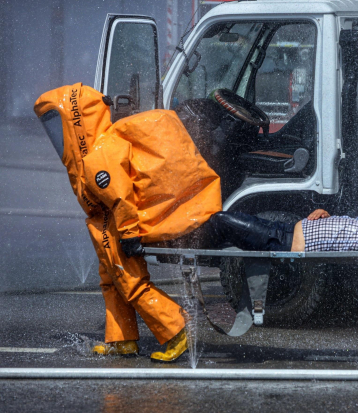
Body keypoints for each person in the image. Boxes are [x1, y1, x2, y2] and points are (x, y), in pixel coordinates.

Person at [34, 83, 222, 362]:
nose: (55, 135)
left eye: (56, 123)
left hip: (117, 224)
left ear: (75, 122)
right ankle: (121, 339)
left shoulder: (98, 155)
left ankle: (177, 329)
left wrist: (130, 234)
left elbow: (121, 198)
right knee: (111, 280)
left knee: (129, 280)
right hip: (106, 224)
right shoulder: (94, 152)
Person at [149, 200, 358, 253]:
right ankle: (168, 233)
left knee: (221, 219)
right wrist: (326, 217)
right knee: (224, 221)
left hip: (282, 241)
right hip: (286, 228)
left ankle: (164, 241)